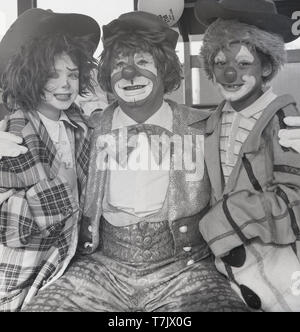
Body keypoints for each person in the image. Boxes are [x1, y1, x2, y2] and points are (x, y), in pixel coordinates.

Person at [21, 11, 249, 312]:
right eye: (119, 65)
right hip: (101, 268)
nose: (129, 74)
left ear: (163, 68)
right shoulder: (86, 128)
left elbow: (252, 143)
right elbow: (40, 120)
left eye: (142, 62)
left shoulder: (206, 126)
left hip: (186, 269)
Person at [194, 0, 300, 311]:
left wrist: (228, 216)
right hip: (223, 261)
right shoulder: (211, 122)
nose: (229, 74)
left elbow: (294, 197)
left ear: (266, 66)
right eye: (219, 62)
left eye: (243, 64)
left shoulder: (285, 119)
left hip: (277, 254)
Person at [0, 8, 100, 311]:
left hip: (62, 265)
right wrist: (62, 194)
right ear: (32, 74)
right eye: (52, 74)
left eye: (72, 74)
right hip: (16, 275)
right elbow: (6, 223)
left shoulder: (79, 126)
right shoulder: (14, 132)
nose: (65, 85)